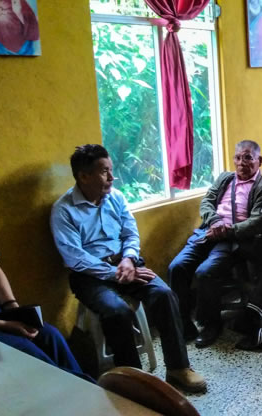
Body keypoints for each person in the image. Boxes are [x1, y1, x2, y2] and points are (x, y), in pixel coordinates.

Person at [50, 145, 206, 393]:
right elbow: (75, 258)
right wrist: (115, 274)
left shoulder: (116, 197)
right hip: (89, 276)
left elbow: (130, 234)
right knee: (117, 311)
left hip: (126, 264)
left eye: (111, 170)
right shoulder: (64, 210)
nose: (112, 177)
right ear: (84, 176)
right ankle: (133, 379)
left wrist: (128, 260)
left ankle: (178, 368)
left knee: (164, 294)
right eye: (104, 172)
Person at [0, 165, 87, 379]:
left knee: (51, 336)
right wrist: (6, 325)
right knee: (30, 354)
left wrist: (12, 308)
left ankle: (86, 389)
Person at [167, 140, 262, 348]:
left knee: (206, 272)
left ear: (259, 161)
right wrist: (215, 222)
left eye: (248, 157)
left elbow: (257, 222)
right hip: (208, 232)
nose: (242, 163)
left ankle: (211, 325)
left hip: (231, 239)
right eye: (238, 157)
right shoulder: (225, 178)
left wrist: (227, 230)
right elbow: (207, 202)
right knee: (177, 267)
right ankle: (183, 323)